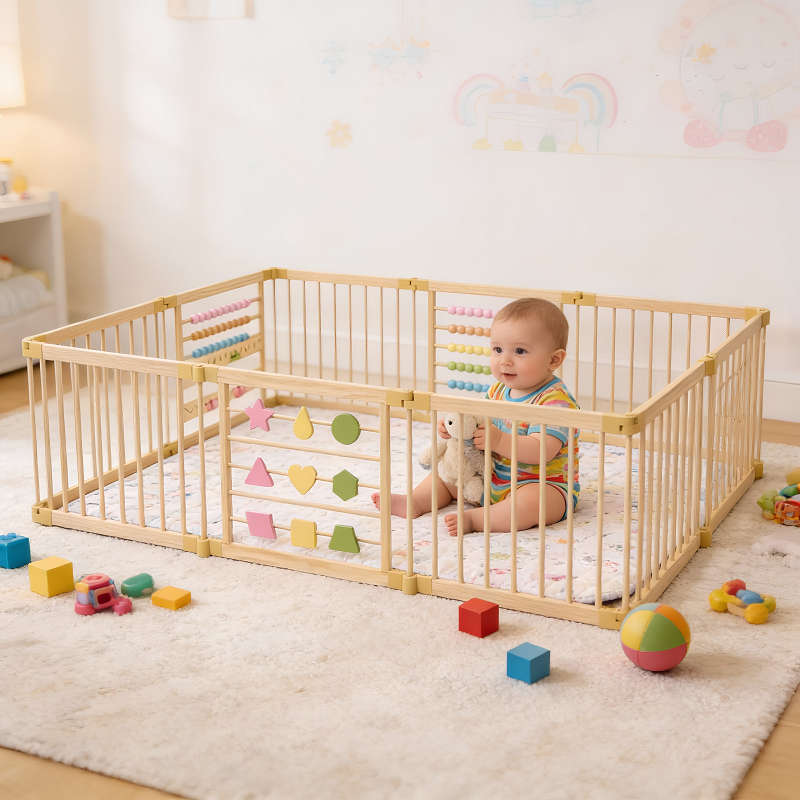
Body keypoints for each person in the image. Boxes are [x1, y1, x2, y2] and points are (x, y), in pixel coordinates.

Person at [372, 297, 580, 535]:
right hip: (489, 478)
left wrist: (498, 440)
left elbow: (541, 451)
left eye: (520, 351)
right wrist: (454, 428)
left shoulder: (555, 402)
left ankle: (476, 520)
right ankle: (416, 501)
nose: (505, 360)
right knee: (448, 472)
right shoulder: (497, 391)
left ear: (554, 359)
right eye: (498, 350)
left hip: (541, 484)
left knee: (532, 503)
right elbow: (477, 425)